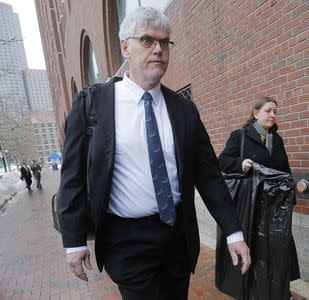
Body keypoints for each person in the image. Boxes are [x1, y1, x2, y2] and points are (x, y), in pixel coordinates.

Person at [58, 6, 250, 300]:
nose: (158, 49)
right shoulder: (92, 104)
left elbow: (209, 176)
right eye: (147, 41)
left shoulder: (184, 109)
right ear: (125, 47)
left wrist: (233, 231)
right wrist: (74, 241)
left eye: (164, 42)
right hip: (126, 241)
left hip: (177, 237)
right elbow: (72, 178)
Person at [218, 96, 300, 298]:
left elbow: (285, 170)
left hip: (275, 207)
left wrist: (291, 200)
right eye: (268, 110)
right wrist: (240, 164)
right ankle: (250, 290)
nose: (273, 115)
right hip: (251, 205)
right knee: (254, 245)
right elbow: (222, 161)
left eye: (275, 111)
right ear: (255, 113)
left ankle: (278, 288)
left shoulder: (277, 139)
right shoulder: (240, 136)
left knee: (277, 248)